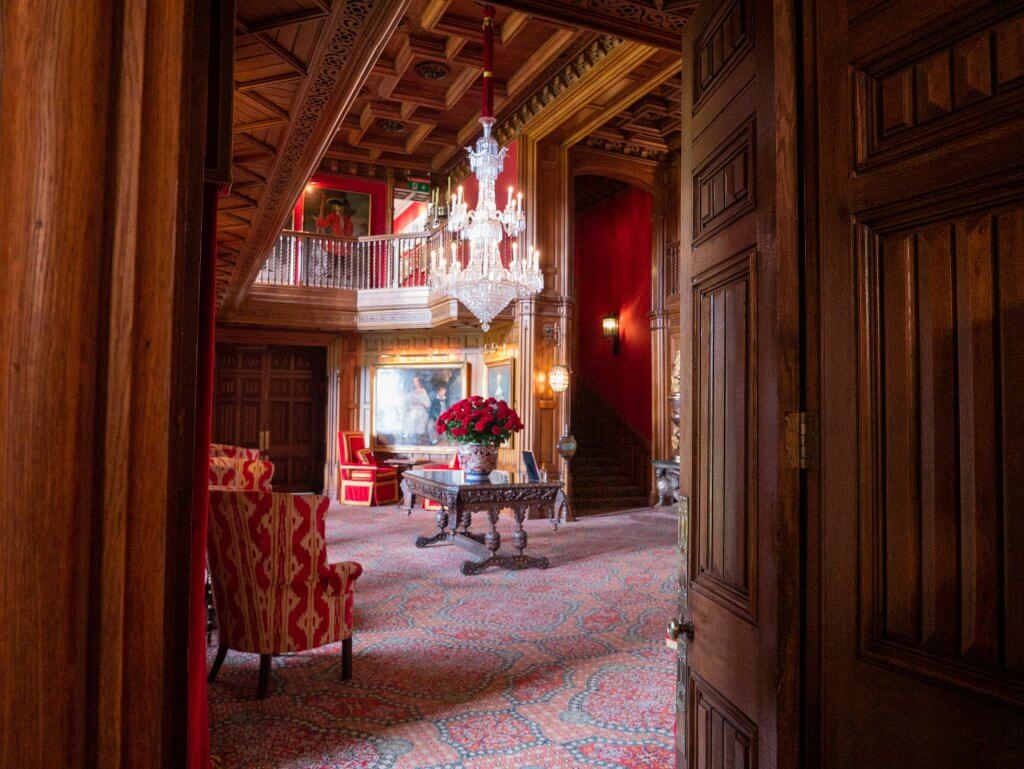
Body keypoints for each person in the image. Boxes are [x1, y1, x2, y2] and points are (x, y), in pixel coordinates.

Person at [401, 375, 431, 442]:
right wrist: (411, 406)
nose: (414, 382)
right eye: (414, 381)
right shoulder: (412, 392)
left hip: (422, 411)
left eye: (416, 381)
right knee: (410, 414)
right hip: (414, 410)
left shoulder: (423, 391)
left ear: (419, 382)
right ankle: (408, 435)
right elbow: (407, 401)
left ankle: (410, 434)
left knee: (413, 414)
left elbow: (428, 404)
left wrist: (421, 405)